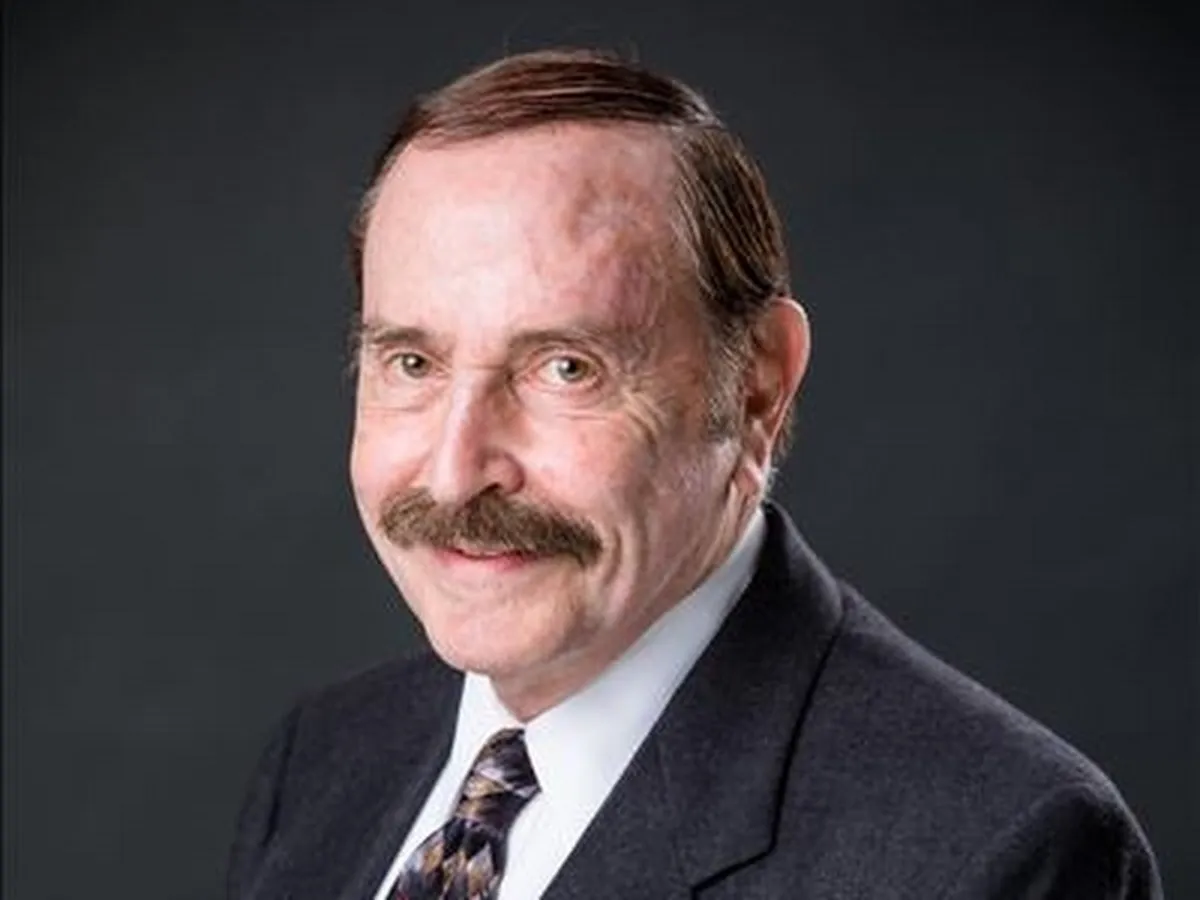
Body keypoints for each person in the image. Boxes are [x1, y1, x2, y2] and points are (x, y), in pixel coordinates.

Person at [227, 48, 1161, 899]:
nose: (455, 473)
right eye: (412, 364)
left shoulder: (997, 852)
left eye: (566, 368)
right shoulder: (326, 759)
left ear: (757, 390)